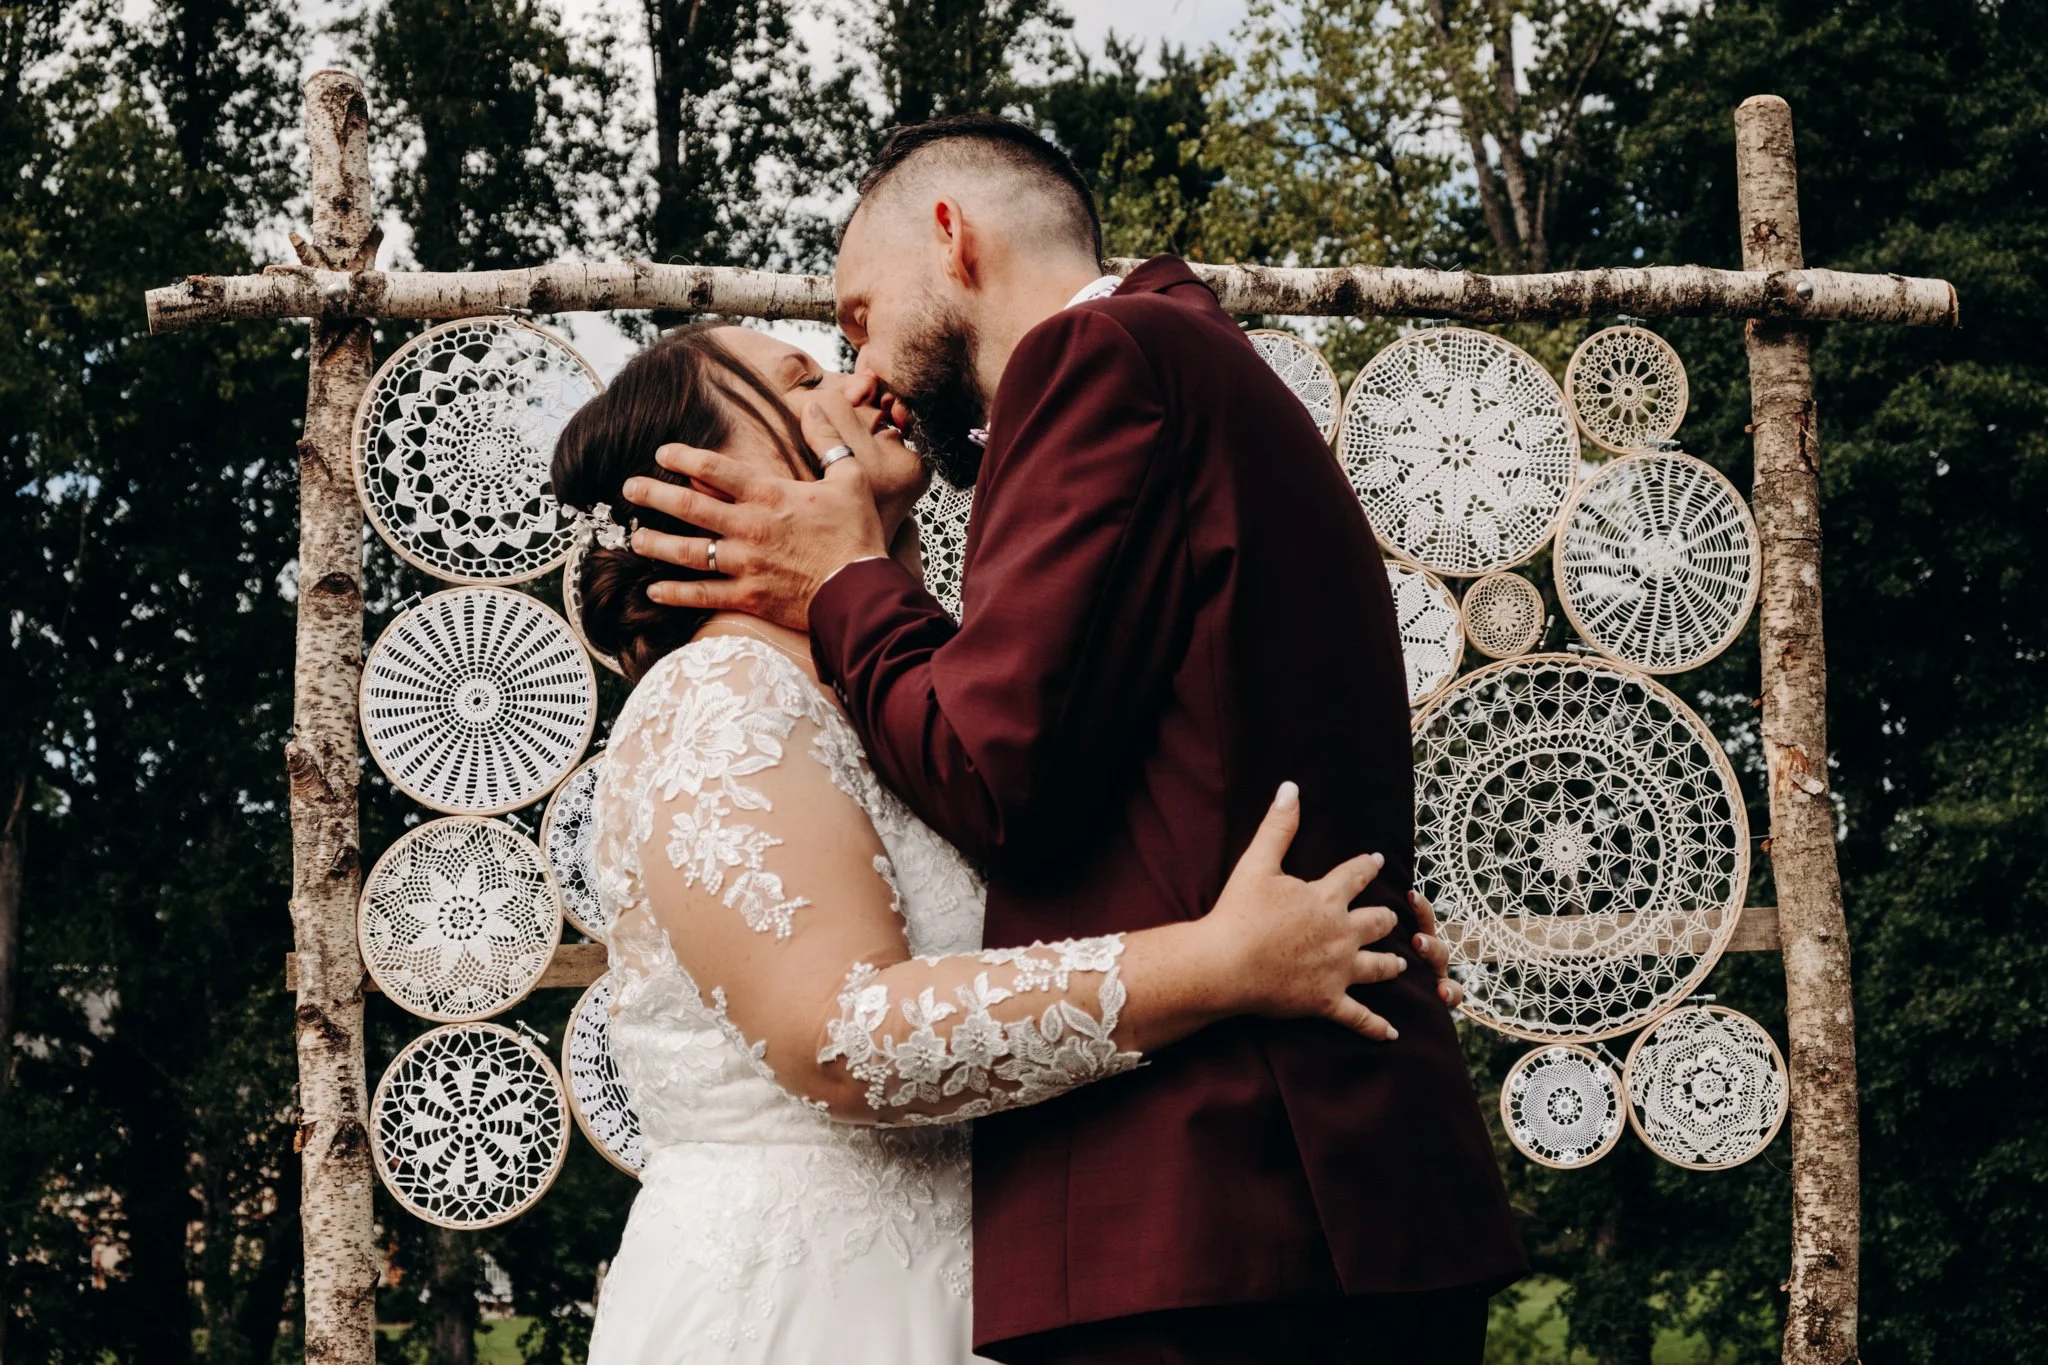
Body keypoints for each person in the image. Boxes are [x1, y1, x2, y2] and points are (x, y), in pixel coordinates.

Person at [621, 116, 1528, 1363]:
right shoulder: (734, 700)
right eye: (812, 366)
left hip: (1218, 1213)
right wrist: (1241, 941)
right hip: (1185, 1217)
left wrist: (843, 583)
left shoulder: (1094, 358)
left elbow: (996, 770)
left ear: (953, 238)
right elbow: (1098, 769)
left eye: (852, 318)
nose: (861, 368)